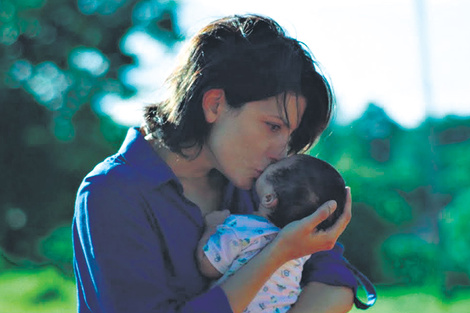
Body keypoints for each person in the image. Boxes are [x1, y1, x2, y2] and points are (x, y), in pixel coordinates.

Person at [72, 14, 372, 313]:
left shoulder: (260, 186)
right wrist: (277, 253)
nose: (280, 153)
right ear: (215, 104)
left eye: (289, 135)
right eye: (272, 126)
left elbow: (335, 281)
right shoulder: (112, 192)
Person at [197, 154, 347, 313]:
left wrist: (212, 226)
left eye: (275, 166)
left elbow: (208, 265)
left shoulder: (241, 228)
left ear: (269, 198)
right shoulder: (302, 250)